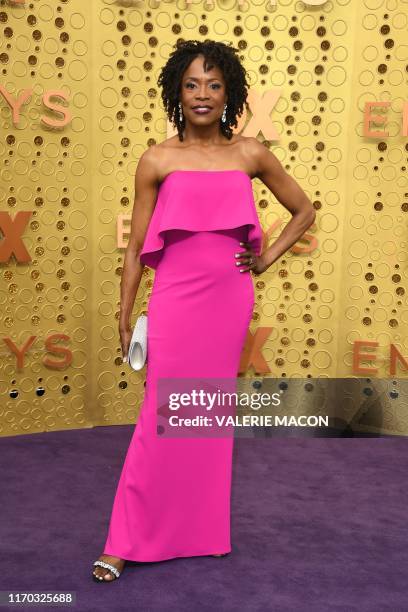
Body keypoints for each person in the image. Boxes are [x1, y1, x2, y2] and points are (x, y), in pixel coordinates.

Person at [92, 39, 315, 582]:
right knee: (159, 416)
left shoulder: (250, 153)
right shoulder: (157, 158)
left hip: (228, 299)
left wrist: (265, 259)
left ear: (229, 93)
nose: (203, 95)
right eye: (192, 84)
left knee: (205, 416)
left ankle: (198, 530)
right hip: (174, 295)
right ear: (177, 91)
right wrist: (124, 314)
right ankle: (124, 541)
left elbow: (305, 209)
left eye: (214, 85)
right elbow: (135, 247)